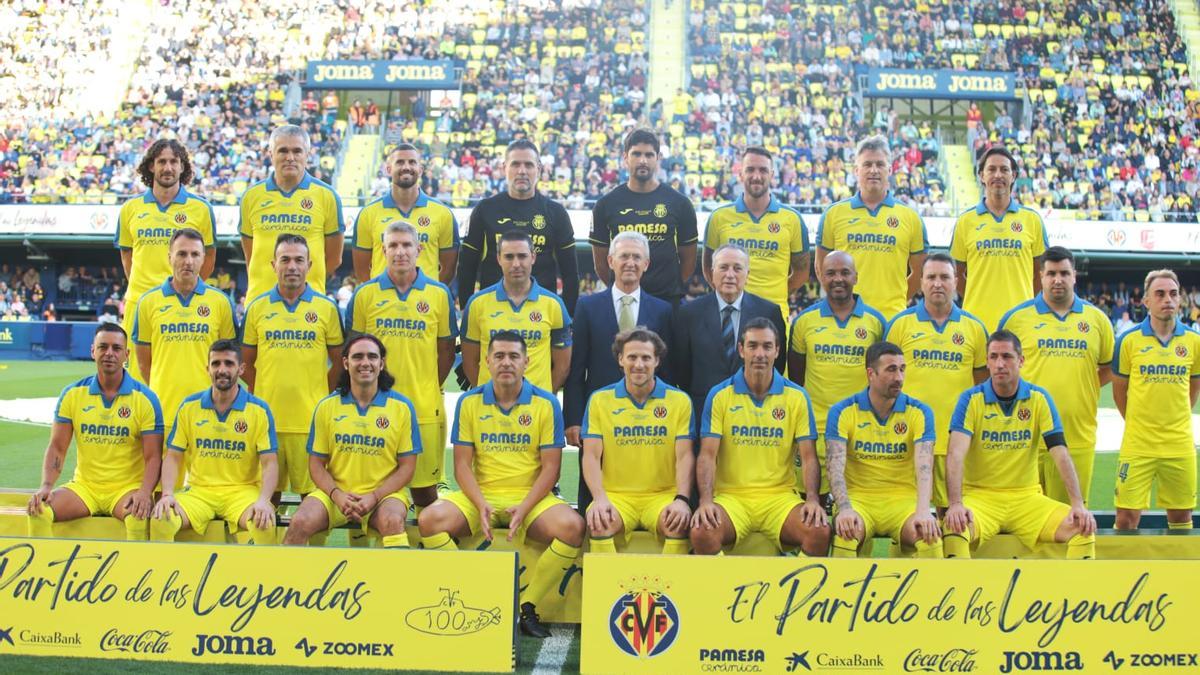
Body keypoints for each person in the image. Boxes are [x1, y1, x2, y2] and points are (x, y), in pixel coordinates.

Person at [418, 332, 584, 639]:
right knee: (429, 520)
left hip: (531, 496)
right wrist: (480, 504)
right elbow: (462, 465)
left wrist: (525, 507)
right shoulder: (470, 401)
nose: (506, 362)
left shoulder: (546, 403)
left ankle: (527, 607)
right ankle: (474, 597)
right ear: (487, 362)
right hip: (481, 495)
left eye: (513, 356)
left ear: (526, 362)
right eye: (499, 356)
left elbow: (551, 469)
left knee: (572, 527)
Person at [943, 330, 1097, 559]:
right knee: (954, 530)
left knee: (1083, 530)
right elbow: (955, 454)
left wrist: (1077, 504)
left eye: (1007, 356)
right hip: (981, 499)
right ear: (986, 361)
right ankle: (964, 595)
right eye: (993, 357)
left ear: (1021, 361)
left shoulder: (1038, 398)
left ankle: (1073, 594)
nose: (999, 364)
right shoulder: (970, 399)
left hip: (1027, 499)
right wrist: (955, 504)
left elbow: (1060, 452)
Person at [690, 317, 829, 555]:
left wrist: (813, 499)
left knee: (819, 530)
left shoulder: (796, 396)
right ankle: (726, 591)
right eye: (753, 346)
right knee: (702, 531)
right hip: (732, 498)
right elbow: (707, 455)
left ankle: (792, 590)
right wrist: (705, 502)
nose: (760, 354)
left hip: (779, 498)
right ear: (741, 350)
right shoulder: (720, 394)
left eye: (767, 346)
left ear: (777, 351)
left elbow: (808, 457)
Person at [347, 221, 456, 508]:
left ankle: (425, 550)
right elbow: (354, 353)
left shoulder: (439, 295)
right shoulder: (365, 295)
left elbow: (445, 351)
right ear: (383, 250)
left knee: (425, 494)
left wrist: (427, 384)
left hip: (423, 408)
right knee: (367, 492)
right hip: (374, 409)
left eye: (407, 245)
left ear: (419, 249)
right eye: (393, 245)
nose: (400, 252)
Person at [564, 231, 673, 511]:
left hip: (648, 418)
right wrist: (574, 419)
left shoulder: (662, 310)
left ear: (646, 264)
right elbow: (578, 369)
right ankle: (588, 547)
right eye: (624, 256)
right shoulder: (587, 306)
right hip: (598, 417)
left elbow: (668, 371)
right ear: (611, 260)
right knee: (592, 491)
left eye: (637, 257)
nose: (630, 262)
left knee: (644, 484)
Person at [998, 246, 1114, 505]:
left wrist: (1085, 386)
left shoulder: (1097, 320)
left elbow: (1108, 367)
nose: (1057, 279)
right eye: (1051, 273)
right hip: (1024, 438)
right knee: (1024, 523)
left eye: (1064, 272)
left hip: (1077, 437)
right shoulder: (1016, 319)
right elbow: (997, 369)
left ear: (1075, 275)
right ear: (1041, 276)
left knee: (1071, 520)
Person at [282, 335, 421, 548]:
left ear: (381, 363)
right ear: (346, 363)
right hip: (336, 496)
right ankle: (290, 581)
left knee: (392, 521)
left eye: (372, 357)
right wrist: (337, 495)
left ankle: (393, 580)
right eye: (358, 357)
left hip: (383, 496)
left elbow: (407, 468)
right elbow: (316, 465)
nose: (365, 362)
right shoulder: (327, 406)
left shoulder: (401, 407)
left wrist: (374, 496)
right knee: (299, 522)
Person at [27, 324, 163, 541]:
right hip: (85, 488)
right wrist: (46, 486)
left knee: (137, 517)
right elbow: (57, 448)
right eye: (103, 347)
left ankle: (135, 573)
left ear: (126, 354)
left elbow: (154, 456)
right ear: (93, 351)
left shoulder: (145, 399)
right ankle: (44, 573)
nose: (109, 353)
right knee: (38, 511)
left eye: (117, 348)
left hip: (125, 489)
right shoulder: (73, 394)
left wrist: (144, 493)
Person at [241, 234, 344, 496]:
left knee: (313, 500)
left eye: (299, 260)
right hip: (267, 422)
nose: (292, 266)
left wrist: (320, 393)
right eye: (285, 259)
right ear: (273, 265)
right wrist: (264, 392)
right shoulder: (257, 308)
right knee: (265, 499)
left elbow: (340, 362)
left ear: (310, 265)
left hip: (311, 423)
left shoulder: (326, 308)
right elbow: (247, 363)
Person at [885, 253, 988, 511]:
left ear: (956, 281)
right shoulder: (900, 325)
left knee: (951, 518)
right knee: (906, 517)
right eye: (931, 277)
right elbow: (886, 385)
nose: (938, 283)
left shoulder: (974, 328)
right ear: (920, 282)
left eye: (945, 277)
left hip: (956, 443)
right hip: (908, 442)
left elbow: (980, 385)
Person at [150, 340, 278, 545]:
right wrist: (167, 494)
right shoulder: (189, 406)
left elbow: (270, 463)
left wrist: (264, 501)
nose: (222, 370)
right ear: (207, 368)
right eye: (216, 364)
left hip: (242, 493)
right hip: (200, 492)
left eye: (229, 363)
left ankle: (262, 578)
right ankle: (166, 576)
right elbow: (173, 457)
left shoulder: (259, 410)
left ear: (241, 368)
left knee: (264, 523)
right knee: (161, 520)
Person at [581, 328, 693, 554]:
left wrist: (681, 499)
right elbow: (591, 456)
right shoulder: (600, 400)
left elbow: (684, 456)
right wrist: (600, 498)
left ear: (657, 360)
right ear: (620, 359)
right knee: (600, 522)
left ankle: (668, 589)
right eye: (632, 357)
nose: (639, 364)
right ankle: (609, 588)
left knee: (677, 524)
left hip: (661, 497)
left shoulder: (679, 401)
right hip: (616, 497)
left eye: (646, 358)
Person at [826, 342, 942, 558]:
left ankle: (931, 593)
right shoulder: (842, 411)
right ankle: (840, 593)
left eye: (902, 369)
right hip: (860, 501)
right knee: (845, 534)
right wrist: (844, 508)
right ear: (871, 373)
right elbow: (835, 467)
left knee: (930, 536)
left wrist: (924, 511)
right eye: (891, 370)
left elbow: (924, 467)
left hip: (904, 502)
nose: (899, 377)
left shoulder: (920, 411)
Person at [788, 251, 886, 500]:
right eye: (830, 273)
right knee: (812, 510)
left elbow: (883, 378)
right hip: (815, 429)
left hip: (861, 430)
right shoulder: (804, 322)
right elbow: (797, 379)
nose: (838, 278)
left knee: (860, 510)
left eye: (844, 272)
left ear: (855, 276)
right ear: (820, 276)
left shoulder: (876, 322)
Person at [115, 139, 216, 380]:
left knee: (181, 375)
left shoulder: (200, 208)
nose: (168, 167)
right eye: (162, 161)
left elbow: (209, 257)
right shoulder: (131, 208)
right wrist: (145, 290)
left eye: (174, 161)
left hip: (181, 304)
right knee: (136, 379)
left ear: (183, 167)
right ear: (151, 166)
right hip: (138, 304)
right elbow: (127, 256)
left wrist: (184, 290)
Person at [1112, 269, 1200, 530]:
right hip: (1138, 444)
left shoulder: (1195, 342)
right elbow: (1119, 393)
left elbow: (1193, 390)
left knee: (1182, 518)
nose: (1168, 300)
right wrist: (1140, 423)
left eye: (1173, 294)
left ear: (1180, 299)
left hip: (1179, 444)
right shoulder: (1128, 341)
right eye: (1159, 294)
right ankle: (1125, 571)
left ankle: (1177, 572)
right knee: (1126, 518)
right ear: (1146, 301)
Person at [134, 228, 236, 453]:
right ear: (169, 256)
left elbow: (229, 360)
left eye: (194, 255)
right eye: (181, 254)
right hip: (163, 411)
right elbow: (144, 362)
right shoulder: (148, 302)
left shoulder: (220, 302)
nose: (188, 261)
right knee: (162, 487)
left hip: (209, 411)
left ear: (203, 259)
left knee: (207, 486)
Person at [457, 139, 578, 313]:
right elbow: (467, 267)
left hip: (540, 315)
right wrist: (466, 312)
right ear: (504, 168)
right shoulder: (485, 210)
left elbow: (571, 273)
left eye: (528, 165)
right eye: (515, 165)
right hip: (493, 313)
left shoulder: (556, 213)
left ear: (539, 169)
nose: (522, 171)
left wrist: (568, 319)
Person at [816, 135, 927, 318]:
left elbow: (920, 272)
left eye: (880, 164)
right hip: (847, 317)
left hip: (891, 319)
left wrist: (897, 300)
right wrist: (842, 301)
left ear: (890, 169)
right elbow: (821, 267)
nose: (873, 170)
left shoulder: (910, 217)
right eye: (867, 164)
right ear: (856, 170)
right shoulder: (833, 215)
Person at [672, 244, 786, 422]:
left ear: (747, 274)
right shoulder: (689, 314)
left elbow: (776, 363)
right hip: (704, 414)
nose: (730, 275)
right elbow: (681, 371)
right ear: (711, 273)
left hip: (754, 414)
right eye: (723, 267)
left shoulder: (769, 312)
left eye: (737, 268)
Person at [591, 129, 698, 306]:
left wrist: (668, 287)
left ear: (658, 158)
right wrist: (627, 288)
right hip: (623, 302)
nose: (643, 160)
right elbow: (601, 264)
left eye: (649, 155)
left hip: (667, 302)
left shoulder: (680, 203)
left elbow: (689, 261)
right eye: (636, 154)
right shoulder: (605, 205)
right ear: (625, 157)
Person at [240, 124, 345, 302]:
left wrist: (298, 284)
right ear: (271, 154)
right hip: (259, 305)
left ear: (308, 154)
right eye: (283, 151)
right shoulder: (251, 196)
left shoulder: (327, 196)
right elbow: (251, 255)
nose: (290, 158)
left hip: (309, 307)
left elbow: (334, 259)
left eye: (297, 151)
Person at [704, 146, 810, 321]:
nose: (756, 176)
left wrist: (774, 296)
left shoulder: (792, 219)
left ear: (772, 175)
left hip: (774, 317)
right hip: (729, 318)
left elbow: (802, 272)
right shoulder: (719, 217)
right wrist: (729, 295)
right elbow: (708, 267)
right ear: (740, 174)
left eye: (763, 170)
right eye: (750, 169)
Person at [950, 146, 1048, 332]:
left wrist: (1024, 304)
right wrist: (976, 297)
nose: (998, 175)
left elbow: (1041, 273)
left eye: (1004, 169)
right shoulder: (966, 221)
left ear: (1014, 176)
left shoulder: (1032, 220)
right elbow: (957, 275)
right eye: (991, 169)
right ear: (981, 175)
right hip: (976, 325)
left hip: (1021, 326)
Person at [461, 230, 572, 392]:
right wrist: (490, 393)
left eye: (522, 256)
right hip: (489, 408)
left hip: (537, 409)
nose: (516, 264)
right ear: (499, 258)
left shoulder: (553, 304)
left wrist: (541, 397)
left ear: (533, 257)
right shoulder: (477, 304)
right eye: (509, 257)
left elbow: (563, 366)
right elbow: (469, 362)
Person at [353, 143, 459, 285]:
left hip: (424, 304)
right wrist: (377, 292)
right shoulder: (368, 213)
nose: (406, 167)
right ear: (389, 169)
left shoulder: (443, 213)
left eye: (412, 162)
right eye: (400, 162)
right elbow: (361, 270)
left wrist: (430, 293)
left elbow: (448, 269)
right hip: (383, 304)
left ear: (420, 170)